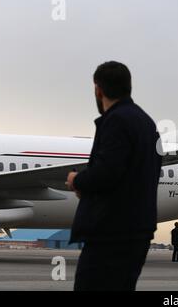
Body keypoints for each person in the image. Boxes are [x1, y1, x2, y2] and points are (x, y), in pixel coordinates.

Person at [65, 61, 162, 291]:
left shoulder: (117, 120)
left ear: (98, 89)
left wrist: (76, 180)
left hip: (111, 231)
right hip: (137, 231)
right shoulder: (146, 123)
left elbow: (108, 172)